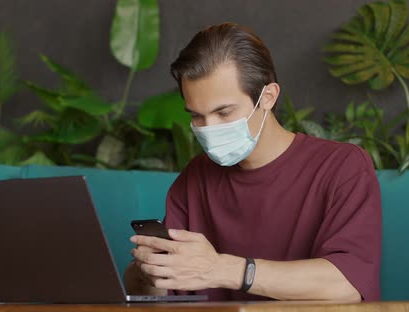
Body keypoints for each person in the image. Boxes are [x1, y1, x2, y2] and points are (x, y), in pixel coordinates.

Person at [124, 22, 381, 302]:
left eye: (224, 112)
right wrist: (149, 272)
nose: (209, 128)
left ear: (268, 97)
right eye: (197, 116)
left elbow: (347, 285)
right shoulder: (196, 176)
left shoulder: (342, 167)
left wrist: (225, 269)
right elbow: (162, 296)